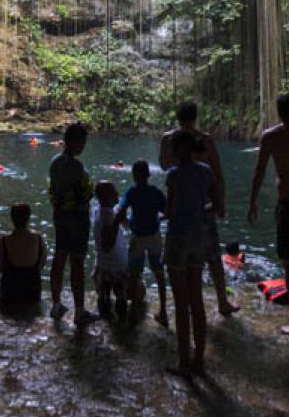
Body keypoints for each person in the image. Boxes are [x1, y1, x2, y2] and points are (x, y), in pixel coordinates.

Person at [160, 101, 238, 316]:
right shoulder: (205, 140)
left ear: (178, 117)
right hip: (203, 207)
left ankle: (181, 306)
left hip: (178, 211)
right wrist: (221, 204)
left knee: (178, 258)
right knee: (213, 256)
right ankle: (222, 302)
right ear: (196, 117)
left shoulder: (168, 139)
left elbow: (165, 165)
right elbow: (218, 176)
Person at [247, 92, 289, 341]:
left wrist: (253, 202)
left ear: (279, 112)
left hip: (288, 204)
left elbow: (260, 171)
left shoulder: (271, 136)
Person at [165, 130, 221, 378]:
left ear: (179, 150)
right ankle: (199, 361)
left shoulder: (174, 175)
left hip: (178, 237)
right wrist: (198, 209)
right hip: (199, 236)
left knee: (180, 302)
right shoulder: (206, 171)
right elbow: (216, 205)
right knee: (196, 300)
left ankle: (183, 361)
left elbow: (170, 209)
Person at [48, 121, 97, 326]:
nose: (84, 146)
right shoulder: (76, 166)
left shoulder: (55, 162)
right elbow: (83, 194)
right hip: (77, 218)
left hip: (60, 216)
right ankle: (79, 311)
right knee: (77, 262)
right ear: (74, 141)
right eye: (83, 142)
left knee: (59, 258)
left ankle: (57, 304)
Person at [113, 159, 168, 326]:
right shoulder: (156, 192)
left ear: (134, 175)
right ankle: (163, 311)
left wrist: (117, 227)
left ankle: (134, 311)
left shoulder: (132, 192)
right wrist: (157, 220)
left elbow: (121, 212)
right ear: (148, 175)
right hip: (154, 237)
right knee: (158, 273)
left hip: (137, 238)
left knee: (135, 274)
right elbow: (167, 212)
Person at [0, 202, 46, 311]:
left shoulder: (5, 240)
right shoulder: (37, 238)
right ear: (28, 218)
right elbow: (42, 263)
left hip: (10, 292)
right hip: (32, 292)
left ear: (12, 218)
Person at [93, 180, 128, 320]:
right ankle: (122, 324)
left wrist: (119, 218)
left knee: (104, 295)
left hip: (103, 265)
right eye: (114, 192)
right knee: (121, 297)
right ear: (106, 197)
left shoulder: (98, 211)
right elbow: (107, 246)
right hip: (117, 266)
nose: (117, 194)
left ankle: (106, 311)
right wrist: (117, 220)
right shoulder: (108, 217)